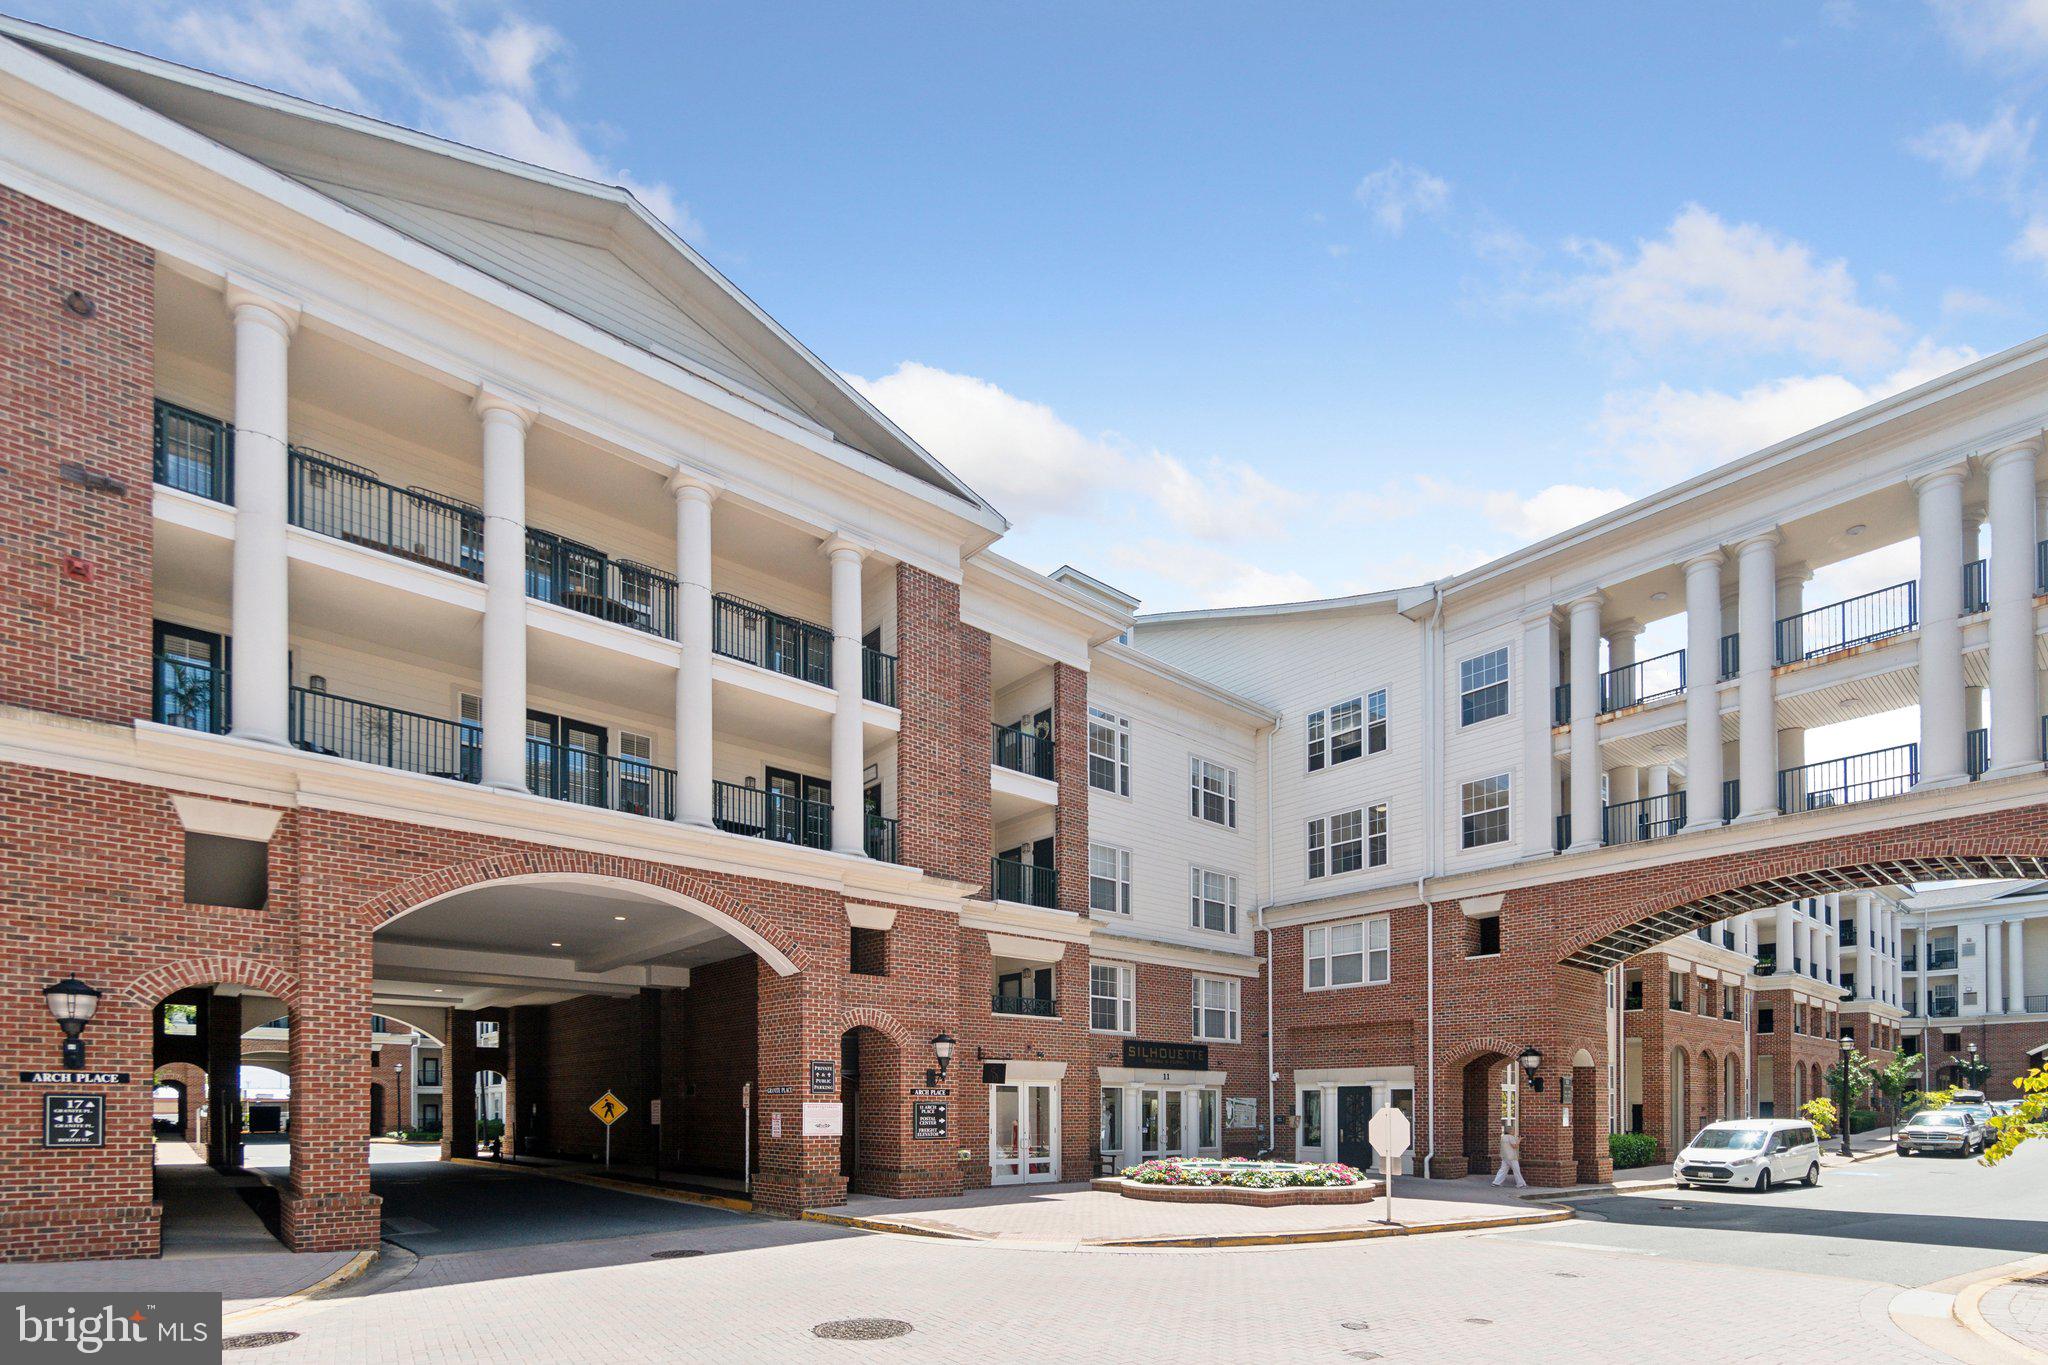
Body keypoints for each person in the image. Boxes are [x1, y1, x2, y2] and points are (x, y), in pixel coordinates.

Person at [1492, 1123, 1526, 1188]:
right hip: (1512, 1157)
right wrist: (1519, 1140)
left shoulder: (1503, 1137)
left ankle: (1496, 1182)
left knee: (1503, 1170)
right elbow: (1515, 1146)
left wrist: (1516, 1139)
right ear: (1510, 1131)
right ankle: (1520, 1184)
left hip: (1504, 1156)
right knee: (1516, 1170)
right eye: (1513, 1130)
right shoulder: (1511, 1137)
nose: (1514, 1131)